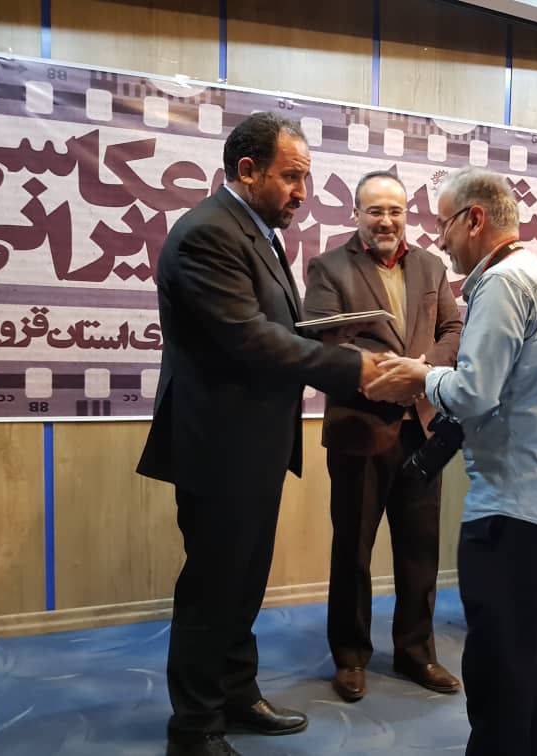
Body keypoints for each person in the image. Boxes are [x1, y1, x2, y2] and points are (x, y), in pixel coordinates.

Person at [136, 112, 380, 756]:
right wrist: (354, 367)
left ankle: (237, 695)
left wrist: (325, 337)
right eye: (292, 177)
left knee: (242, 584)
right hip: (218, 447)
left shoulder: (256, 232)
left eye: (306, 178)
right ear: (248, 170)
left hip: (253, 444)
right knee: (212, 590)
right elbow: (246, 338)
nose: (302, 193)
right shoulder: (207, 234)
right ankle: (194, 727)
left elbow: (270, 328)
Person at [364, 167, 537, 756]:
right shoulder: (535, 274)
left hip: (514, 507)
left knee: (495, 667)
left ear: (475, 220)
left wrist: (421, 376)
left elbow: (473, 393)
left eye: (443, 224)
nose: (439, 239)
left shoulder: (502, 283)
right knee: (523, 651)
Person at [303, 170, 463, 701]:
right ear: (356, 214)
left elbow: (452, 329)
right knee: (353, 549)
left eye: (396, 210)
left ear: (406, 215)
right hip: (360, 428)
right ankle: (350, 656)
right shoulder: (328, 268)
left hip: (423, 429)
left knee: (420, 549)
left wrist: (423, 370)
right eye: (375, 211)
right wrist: (384, 376)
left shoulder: (431, 266)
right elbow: (323, 343)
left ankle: (417, 653)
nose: (387, 221)